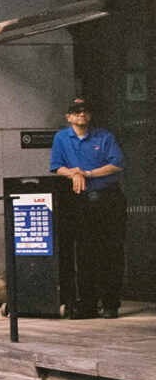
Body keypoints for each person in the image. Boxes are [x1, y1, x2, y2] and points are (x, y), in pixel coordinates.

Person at [50, 98, 126, 319]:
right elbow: (56, 166)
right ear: (69, 117)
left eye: (85, 111)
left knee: (111, 252)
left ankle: (111, 303)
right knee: (85, 253)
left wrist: (87, 173)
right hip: (81, 202)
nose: (81, 115)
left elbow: (116, 164)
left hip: (108, 200)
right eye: (76, 111)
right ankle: (89, 304)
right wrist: (74, 172)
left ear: (90, 115)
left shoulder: (104, 137)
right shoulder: (61, 138)